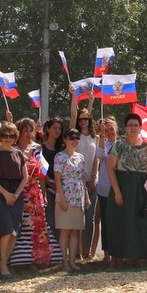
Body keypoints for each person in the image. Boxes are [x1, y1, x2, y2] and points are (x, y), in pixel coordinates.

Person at [10, 118, 63, 268]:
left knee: (38, 225)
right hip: (18, 192)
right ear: (19, 132)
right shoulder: (13, 149)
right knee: (22, 226)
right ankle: (19, 259)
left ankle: (39, 257)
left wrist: (43, 192)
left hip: (34, 192)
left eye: (30, 130)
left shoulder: (36, 149)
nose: (28, 133)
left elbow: (42, 173)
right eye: (25, 130)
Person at [105, 112, 147, 266]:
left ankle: (138, 256)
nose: (133, 128)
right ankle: (116, 257)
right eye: (130, 125)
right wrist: (117, 191)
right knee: (119, 221)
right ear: (125, 128)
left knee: (140, 222)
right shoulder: (118, 146)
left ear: (140, 128)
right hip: (122, 186)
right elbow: (110, 169)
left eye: (136, 125)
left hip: (140, 189)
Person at [0, 121, 26, 277]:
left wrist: (15, 194)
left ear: (15, 137)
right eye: (5, 135)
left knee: (14, 233)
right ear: (0, 136)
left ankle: (5, 262)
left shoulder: (19, 154)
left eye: (11, 135)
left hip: (17, 195)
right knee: (6, 230)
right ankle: (2, 265)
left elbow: (25, 177)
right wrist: (5, 194)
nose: (8, 138)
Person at [53, 128, 89, 271]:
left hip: (78, 197)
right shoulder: (60, 157)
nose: (74, 140)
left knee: (75, 231)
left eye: (76, 138)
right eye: (71, 137)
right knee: (65, 231)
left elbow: (82, 177)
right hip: (65, 196)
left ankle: (73, 261)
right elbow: (57, 179)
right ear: (65, 139)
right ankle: (64, 262)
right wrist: (61, 198)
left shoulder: (80, 157)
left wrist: (85, 195)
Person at [72, 108, 100, 262]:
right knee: (77, 217)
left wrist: (93, 177)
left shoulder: (94, 138)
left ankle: (88, 251)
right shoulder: (75, 136)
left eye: (86, 119)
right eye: (81, 119)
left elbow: (96, 158)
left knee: (90, 218)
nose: (83, 121)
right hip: (77, 181)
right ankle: (76, 252)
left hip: (91, 181)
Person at [91, 117, 118, 261]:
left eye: (111, 129)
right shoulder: (104, 145)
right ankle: (107, 251)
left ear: (116, 129)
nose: (109, 132)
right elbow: (99, 155)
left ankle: (118, 250)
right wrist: (101, 135)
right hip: (104, 189)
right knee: (106, 222)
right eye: (107, 131)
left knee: (118, 220)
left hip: (118, 189)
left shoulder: (122, 144)